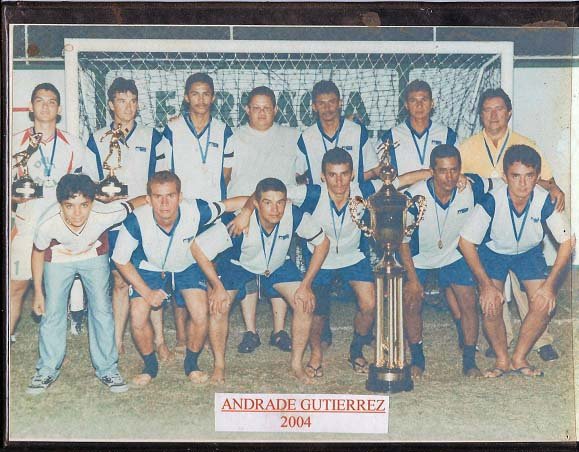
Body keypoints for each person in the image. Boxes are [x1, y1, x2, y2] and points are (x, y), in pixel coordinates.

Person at [111, 171, 247, 386]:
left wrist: (247, 212)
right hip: (150, 267)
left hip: (186, 266)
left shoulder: (196, 210)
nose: (165, 203)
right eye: (158, 197)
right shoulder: (135, 220)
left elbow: (237, 202)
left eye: (171, 196)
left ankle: (191, 364)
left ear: (180, 197)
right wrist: (147, 292)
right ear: (148, 199)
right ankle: (150, 365)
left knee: (200, 313)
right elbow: (120, 260)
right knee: (137, 317)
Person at [459, 87, 565, 362]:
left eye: (499, 109)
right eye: (487, 110)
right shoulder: (466, 147)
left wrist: (555, 189)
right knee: (492, 291)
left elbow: (547, 181)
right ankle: (501, 341)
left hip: (522, 224)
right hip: (487, 228)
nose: (493, 115)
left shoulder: (525, 144)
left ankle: (540, 340)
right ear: (480, 114)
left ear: (508, 112)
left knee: (530, 288)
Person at [459, 145, 574, 378]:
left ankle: (519, 358)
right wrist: (485, 285)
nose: (522, 184)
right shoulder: (491, 200)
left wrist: (550, 287)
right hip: (495, 252)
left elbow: (567, 242)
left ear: (538, 177)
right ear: (505, 177)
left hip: (528, 253)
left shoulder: (545, 200)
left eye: (529, 176)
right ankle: (502, 360)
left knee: (543, 303)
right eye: (515, 176)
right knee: (491, 304)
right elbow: (465, 242)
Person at [26, 174, 145, 395]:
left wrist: (153, 198)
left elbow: (133, 203)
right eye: (69, 206)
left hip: (93, 255)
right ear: (60, 204)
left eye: (84, 205)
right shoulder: (48, 221)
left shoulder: (105, 212)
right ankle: (47, 369)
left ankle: (107, 368)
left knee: (102, 309)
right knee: (52, 311)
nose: (77, 213)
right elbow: (38, 252)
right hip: (59, 257)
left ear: (93, 202)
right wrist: (38, 293)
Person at [209, 178, 330, 384]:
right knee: (219, 307)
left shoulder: (294, 215)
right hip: (240, 264)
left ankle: (297, 365)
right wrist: (217, 286)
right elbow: (199, 250)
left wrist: (306, 284)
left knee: (304, 303)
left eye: (280, 202)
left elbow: (323, 243)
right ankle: (219, 365)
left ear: (286, 202)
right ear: (256, 203)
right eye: (268, 203)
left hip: (277, 264)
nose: (275, 209)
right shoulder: (239, 218)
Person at [87, 77, 172, 360]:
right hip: (112, 220)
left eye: (133, 101)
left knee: (150, 276)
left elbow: (163, 179)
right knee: (120, 281)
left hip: (145, 219)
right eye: (122, 101)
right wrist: (101, 194)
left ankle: (159, 339)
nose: (128, 107)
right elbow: (89, 181)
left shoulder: (153, 137)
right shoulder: (97, 138)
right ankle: (116, 340)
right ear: (111, 105)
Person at [399, 144, 497, 379]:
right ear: (432, 171)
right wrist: (412, 279)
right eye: (443, 171)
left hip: (454, 254)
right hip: (419, 258)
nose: (449, 177)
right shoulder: (414, 197)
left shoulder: (471, 186)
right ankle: (418, 358)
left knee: (468, 301)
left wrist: (551, 187)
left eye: (454, 170)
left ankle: (469, 360)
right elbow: (402, 242)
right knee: (411, 301)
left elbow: (504, 184)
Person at [11, 83, 98, 342]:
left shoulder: (73, 144)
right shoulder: (14, 141)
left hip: (62, 224)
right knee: (17, 283)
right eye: (40, 100)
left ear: (59, 109)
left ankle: (75, 317)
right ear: (30, 106)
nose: (46, 106)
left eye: (51, 102)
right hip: (27, 223)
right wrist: (14, 196)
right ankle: (8, 334)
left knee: (66, 279)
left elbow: (88, 185)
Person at [285, 148, 381, 377]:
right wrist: (247, 211)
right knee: (316, 311)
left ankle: (356, 350)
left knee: (369, 304)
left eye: (344, 174)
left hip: (352, 256)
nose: (339, 181)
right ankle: (316, 353)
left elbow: (401, 182)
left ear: (352, 175)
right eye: (332, 175)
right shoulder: (312, 193)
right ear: (322, 176)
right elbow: (269, 191)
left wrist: (436, 174)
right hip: (321, 259)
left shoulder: (362, 191)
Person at [224, 86, 300, 354]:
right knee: (246, 270)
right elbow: (225, 174)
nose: (261, 113)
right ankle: (251, 331)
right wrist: (244, 209)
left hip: (280, 214)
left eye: (267, 107)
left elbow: (301, 173)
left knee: (278, 266)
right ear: (247, 110)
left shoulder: (292, 136)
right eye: (256, 108)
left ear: (276, 109)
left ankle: (279, 331)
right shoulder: (234, 137)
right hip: (244, 216)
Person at [162, 73, 234, 352]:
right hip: (183, 211)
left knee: (208, 269)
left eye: (206, 94)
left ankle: (200, 331)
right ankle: (182, 335)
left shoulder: (224, 130)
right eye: (195, 93)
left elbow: (226, 174)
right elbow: (165, 171)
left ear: (213, 98)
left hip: (213, 212)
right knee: (180, 269)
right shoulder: (172, 129)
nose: (201, 99)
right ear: (186, 97)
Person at [296, 80, 380, 186]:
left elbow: (373, 169)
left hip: (353, 195)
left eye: (331, 102)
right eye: (321, 103)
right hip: (320, 196)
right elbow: (296, 175)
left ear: (340, 103)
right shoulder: (306, 137)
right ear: (314, 107)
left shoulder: (357, 131)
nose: (327, 108)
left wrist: (353, 183)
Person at [379, 79, 459, 184]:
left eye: (424, 100)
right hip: (401, 194)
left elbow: (457, 172)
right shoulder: (390, 136)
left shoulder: (448, 135)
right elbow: (379, 175)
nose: (419, 105)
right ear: (406, 105)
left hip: (437, 193)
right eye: (413, 100)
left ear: (432, 103)